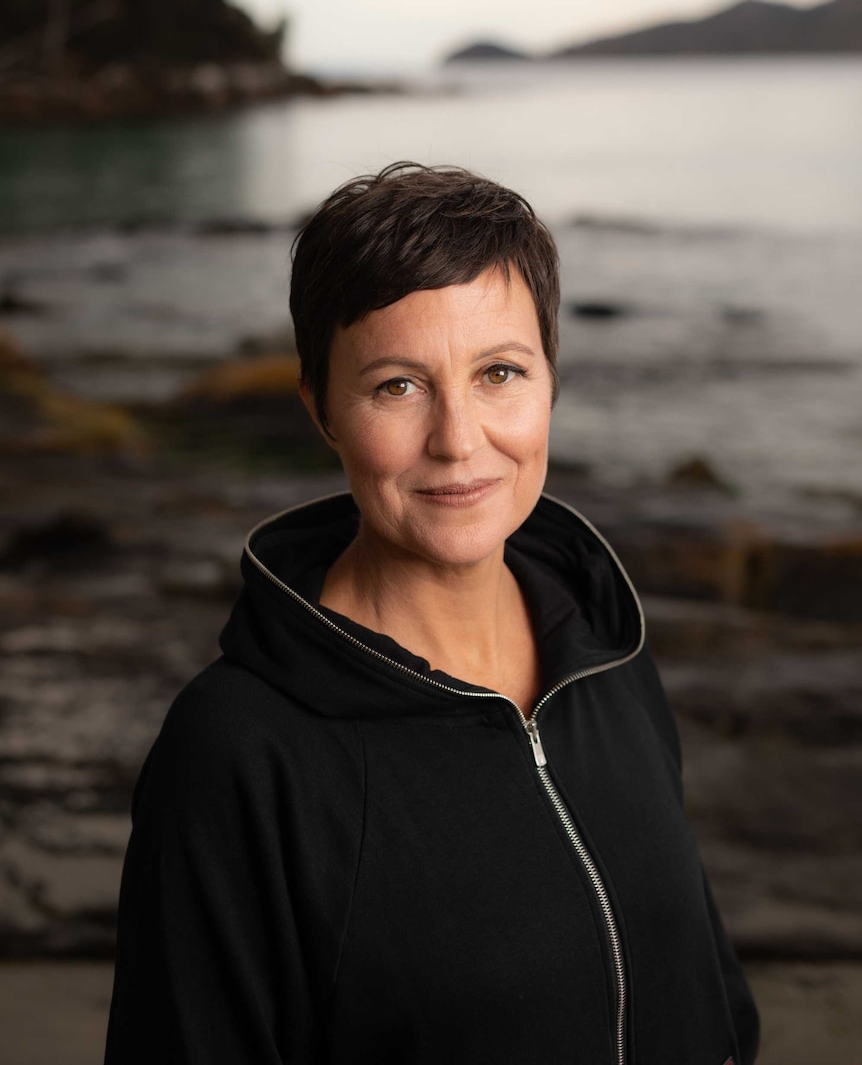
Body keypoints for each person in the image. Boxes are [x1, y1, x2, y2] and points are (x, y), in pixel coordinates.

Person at [105, 162, 759, 1065]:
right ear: (322, 408)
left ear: (551, 384)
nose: (458, 439)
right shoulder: (239, 755)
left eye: (499, 372)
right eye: (398, 386)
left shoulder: (608, 652)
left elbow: (711, 999)